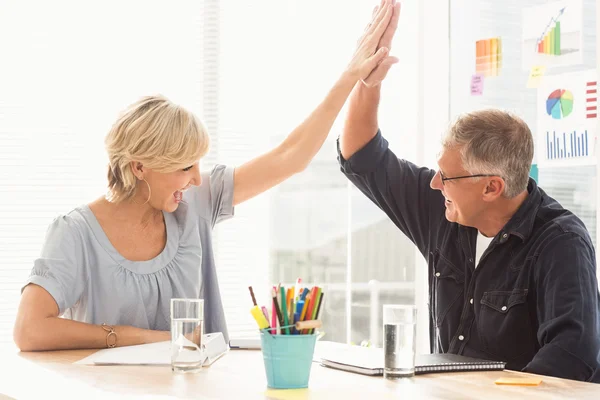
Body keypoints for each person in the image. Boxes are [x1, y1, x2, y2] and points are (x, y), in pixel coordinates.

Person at [13, 2, 396, 351]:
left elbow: (291, 156)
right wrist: (135, 337)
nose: (197, 178)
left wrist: (352, 77)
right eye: (184, 166)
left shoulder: (195, 203)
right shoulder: (76, 233)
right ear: (139, 166)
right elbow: (29, 331)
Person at [338, 0, 600, 383]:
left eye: (447, 177)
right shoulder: (445, 208)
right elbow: (361, 156)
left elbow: (571, 358)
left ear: (492, 187)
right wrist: (368, 80)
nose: (434, 183)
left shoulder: (561, 242)